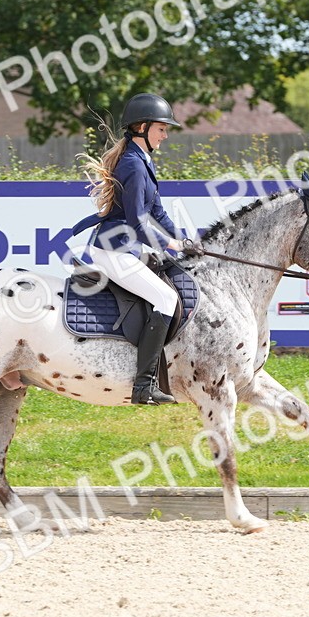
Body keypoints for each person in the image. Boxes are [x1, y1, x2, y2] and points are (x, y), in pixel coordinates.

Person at [72, 93, 202, 405]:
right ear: (142, 127)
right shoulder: (132, 164)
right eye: (161, 129)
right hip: (113, 251)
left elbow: (158, 213)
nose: (166, 135)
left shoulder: (142, 160)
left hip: (125, 247)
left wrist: (184, 240)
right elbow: (137, 222)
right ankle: (144, 386)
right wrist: (169, 243)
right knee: (166, 298)